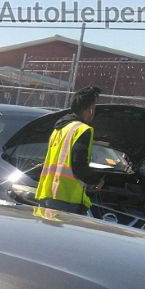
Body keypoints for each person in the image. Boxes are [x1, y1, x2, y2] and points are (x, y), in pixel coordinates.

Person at [35, 86, 104, 214]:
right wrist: (96, 180)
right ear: (89, 109)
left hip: (48, 193)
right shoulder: (82, 129)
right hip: (67, 199)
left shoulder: (59, 129)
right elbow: (78, 164)